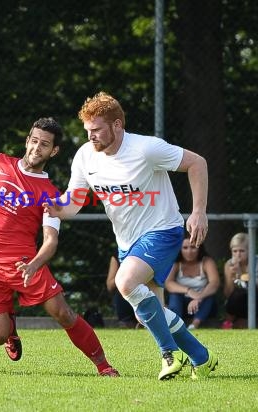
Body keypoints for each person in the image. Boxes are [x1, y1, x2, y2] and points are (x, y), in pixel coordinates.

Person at [44, 91, 217, 380]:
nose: (91, 137)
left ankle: (169, 355)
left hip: (163, 230)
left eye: (97, 130)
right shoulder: (86, 156)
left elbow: (197, 162)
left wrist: (198, 211)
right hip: (127, 241)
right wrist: (54, 207)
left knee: (124, 281)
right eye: (88, 131)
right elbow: (73, 202)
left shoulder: (146, 148)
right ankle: (202, 357)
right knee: (149, 312)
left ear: (117, 125)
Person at [0, 115, 119, 377]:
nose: (37, 148)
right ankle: (10, 329)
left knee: (63, 313)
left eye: (44, 144)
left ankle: (103, 365)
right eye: (34, 141)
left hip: (23, 264)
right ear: (27, 141)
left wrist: (35, 264)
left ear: (54, 151)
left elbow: (50, 241)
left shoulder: (50, 194)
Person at [165, 234, 220, 330]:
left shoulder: (206, 262)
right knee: (174, 295)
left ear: (199, 248)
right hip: (182, 302)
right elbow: (169, 284)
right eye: (185, 248)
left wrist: (199, 297)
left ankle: (194, 325)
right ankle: (175, 325)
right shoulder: (176, 263)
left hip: (202, 304)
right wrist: (189, 291)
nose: (189, 251)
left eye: (193, 247)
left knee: (209, 297)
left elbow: (214, 283)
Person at [222, 232, 258, 329]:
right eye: (235, 251)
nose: (238, 254)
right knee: (238, 292)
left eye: (242, 251)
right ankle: (228, 323)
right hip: (237, 305)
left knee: (251, 290)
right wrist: (232, 277)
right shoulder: (229, 265)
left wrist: (250, 280)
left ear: (250, 251)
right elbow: (228, 294)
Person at [106, 255, 138, 328]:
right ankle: (127, 323)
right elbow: (110, 285)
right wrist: (125, 273)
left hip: (144, 291)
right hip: (125, 298)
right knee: (124, 288)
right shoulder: (116, 256)